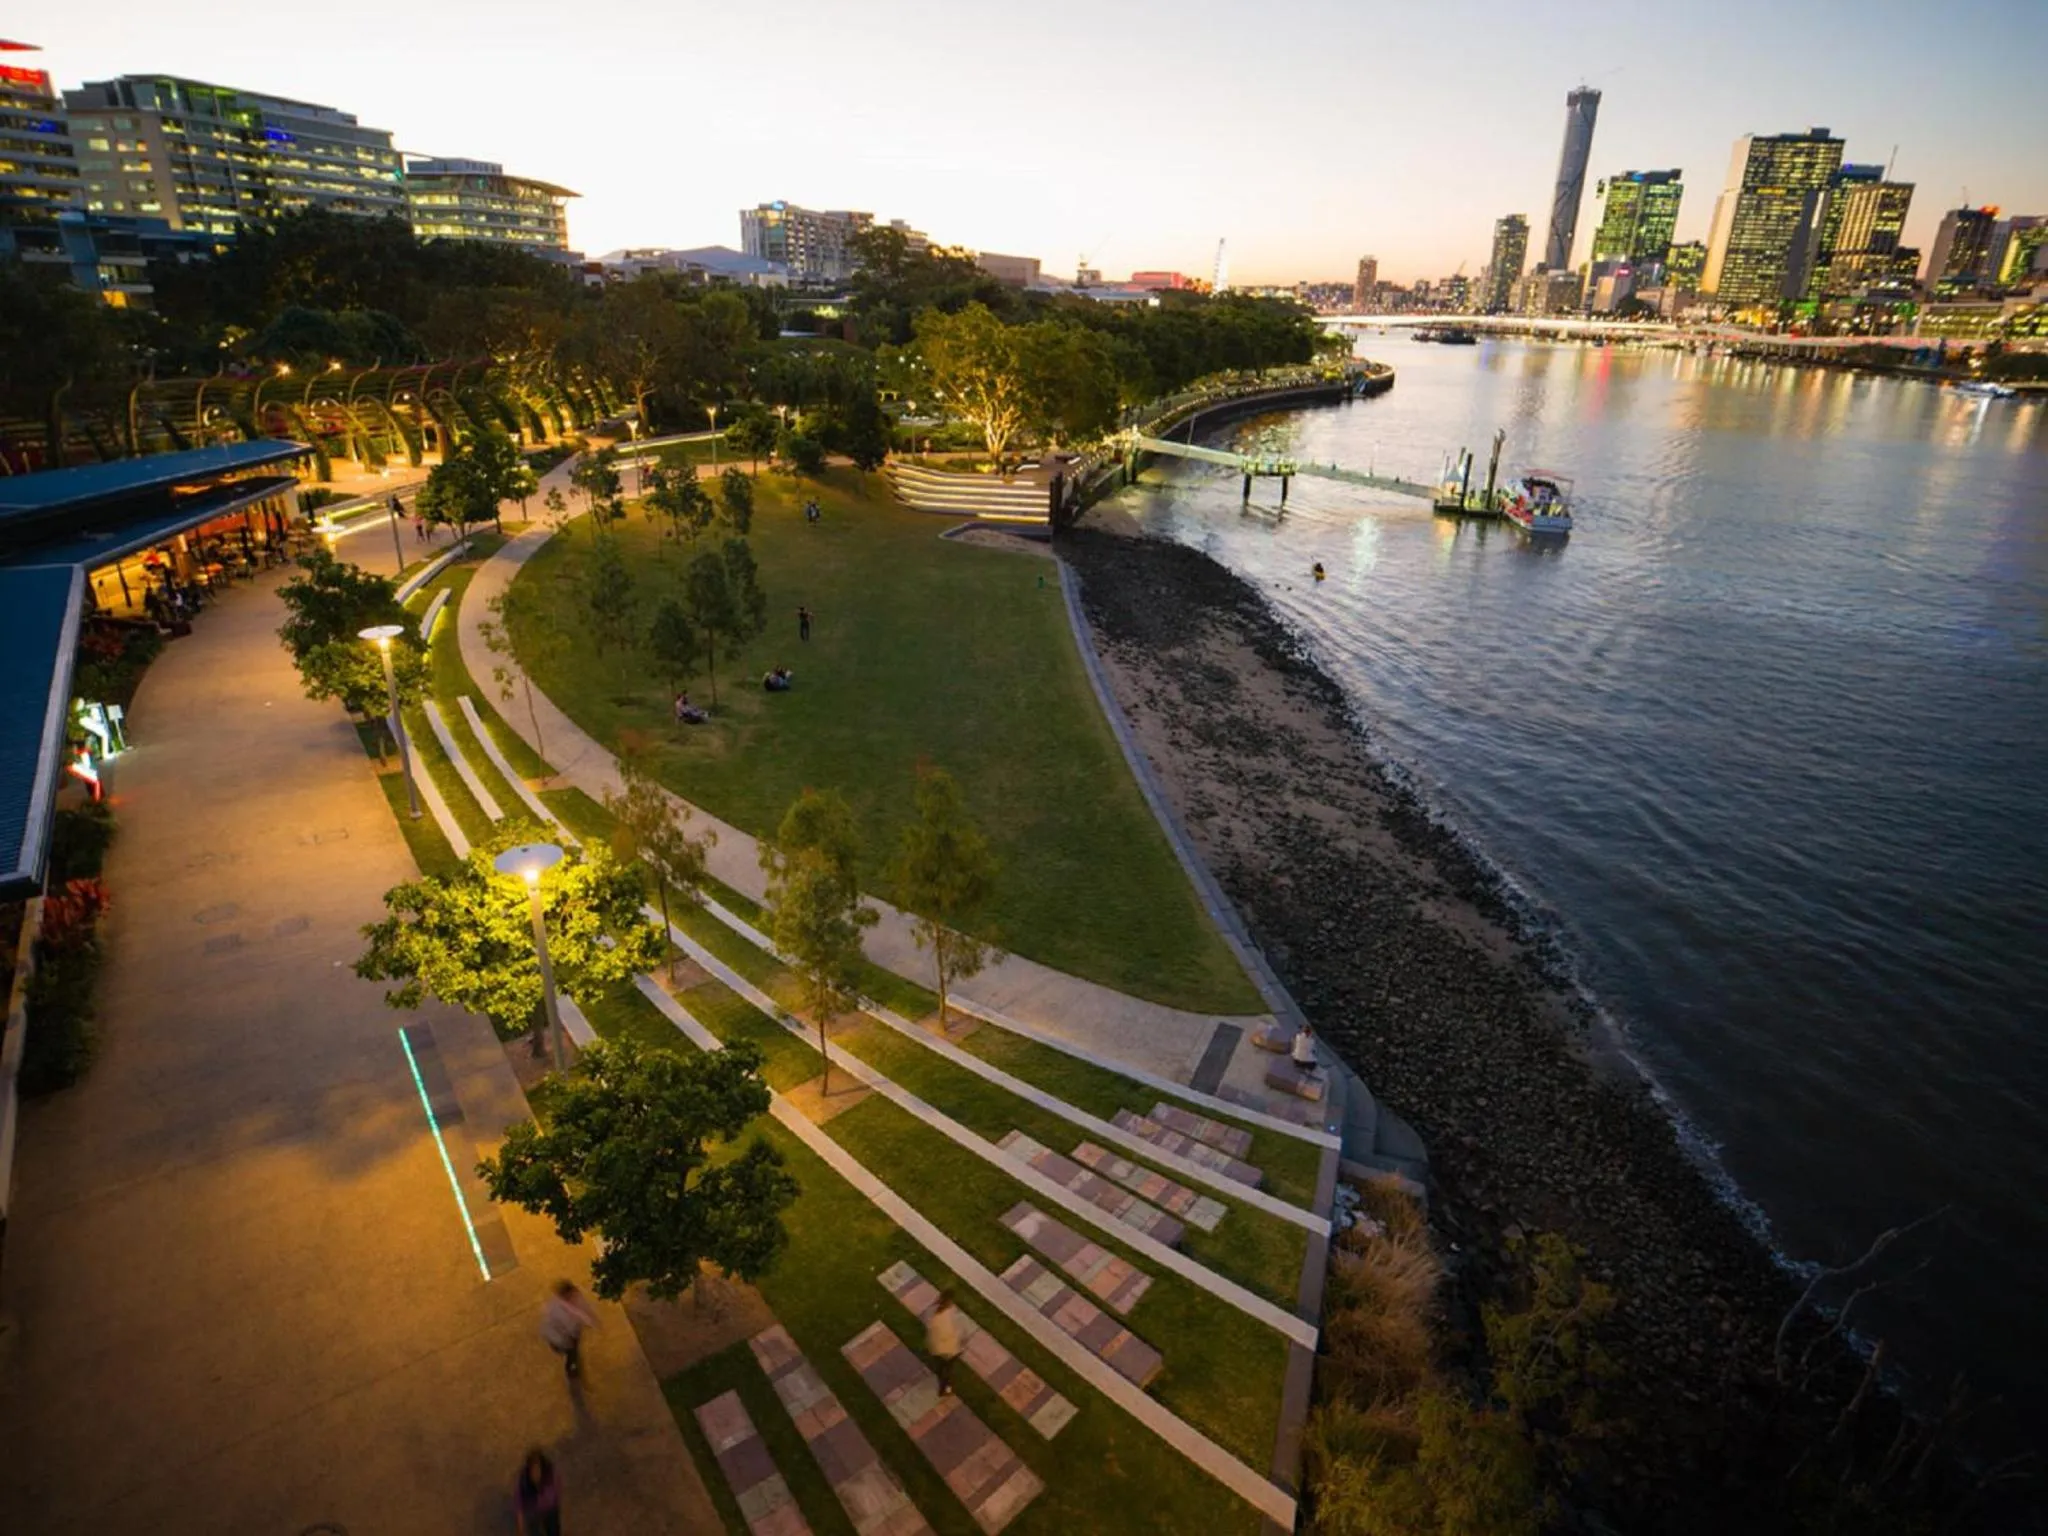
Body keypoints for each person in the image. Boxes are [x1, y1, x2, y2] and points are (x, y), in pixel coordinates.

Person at [540, 1279, 598, 1380]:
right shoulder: (556, 1309)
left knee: (574, 1351)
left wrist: (591, 1320)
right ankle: (571, 1369)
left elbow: (582, 1309)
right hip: (563, 1338)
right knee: (572, 1353)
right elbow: (552, 1328)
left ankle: (572, 1366)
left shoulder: (574, 1298)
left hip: (571, 1335)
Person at [514, 1448, 562, 1536]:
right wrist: (520, 1530)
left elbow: (556, 1494)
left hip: (550, 1509)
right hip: (533, 1511)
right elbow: (519, 1507)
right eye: (532, 1471)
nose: (535, 1474)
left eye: (537, 1470)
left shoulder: (550, 1478)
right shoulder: (524, 1482)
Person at [925, 1292, 963, 1396]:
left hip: (937, 1349)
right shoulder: (950, 1314)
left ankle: (944, 1385)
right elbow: (955, 1331)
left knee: (941, 1368)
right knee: (948, 1369)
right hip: (949, 1349)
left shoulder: (932, 1312)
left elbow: (930, 1328)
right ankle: (946, 1386)